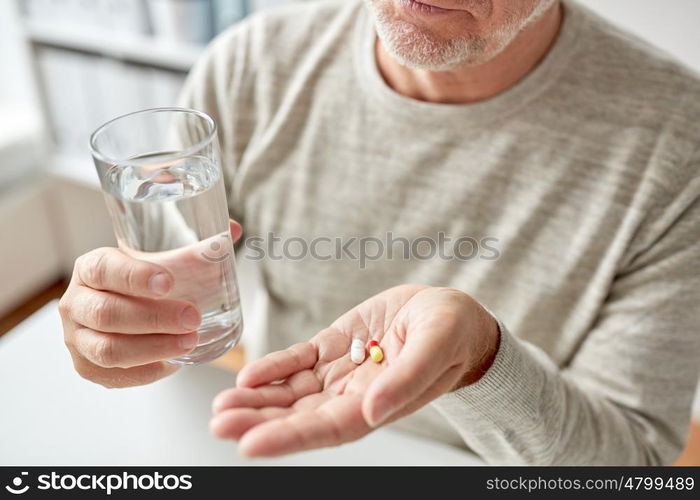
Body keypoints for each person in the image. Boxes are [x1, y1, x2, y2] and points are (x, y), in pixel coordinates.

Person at [58, 0, 700, 465]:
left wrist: (480, 362)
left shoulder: (678, 141)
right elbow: (183, 303)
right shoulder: (250, 68)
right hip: (275, 439)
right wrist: (131, 330)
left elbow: (632, 466)